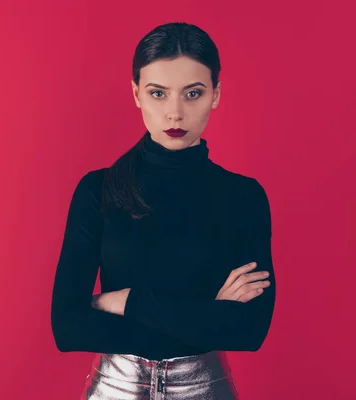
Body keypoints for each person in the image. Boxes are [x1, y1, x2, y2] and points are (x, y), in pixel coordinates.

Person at [50, 21, 276, 400]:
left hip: (206, 390)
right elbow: (68, 328)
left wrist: (125, 302)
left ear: (216, 95)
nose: (175, 113)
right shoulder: (98, 190)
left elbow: (249, 332)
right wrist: (208, 315)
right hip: (115, 390)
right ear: (137, 94)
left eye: (193, 93)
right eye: (158, 93)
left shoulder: (243, 197)